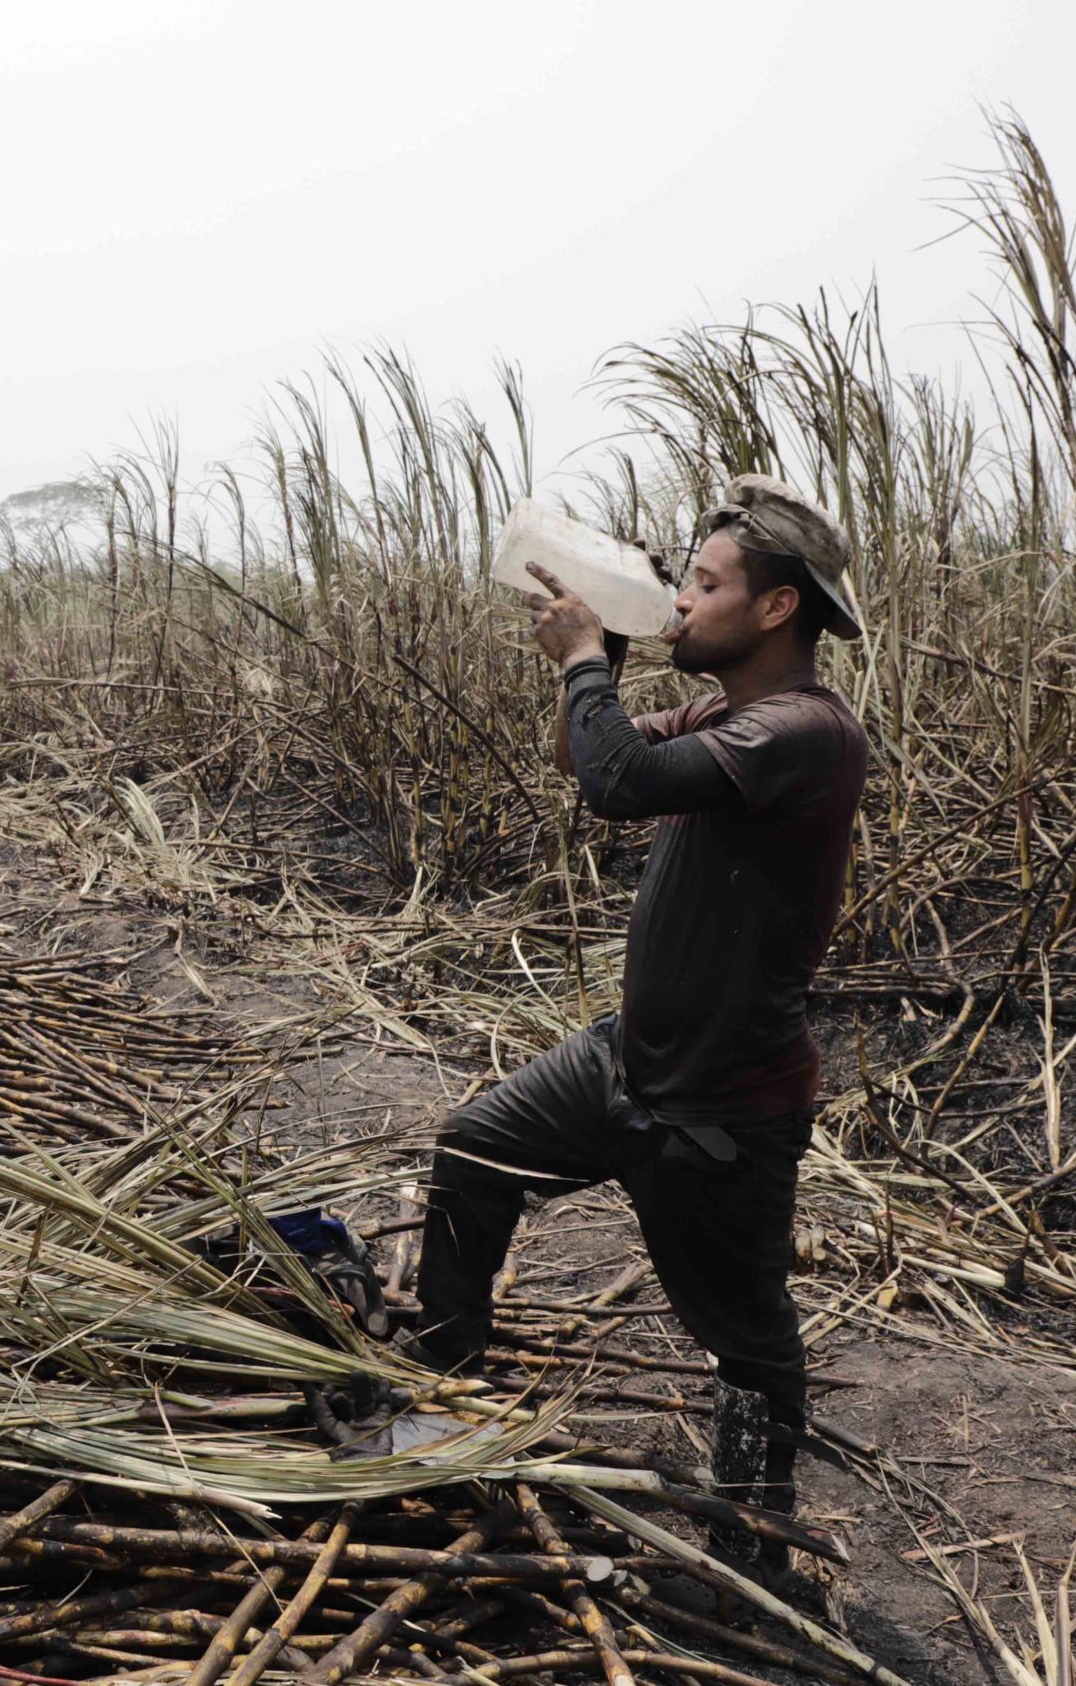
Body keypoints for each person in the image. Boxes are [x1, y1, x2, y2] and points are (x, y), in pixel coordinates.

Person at [409, 473, 868, 1579]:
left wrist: (577, 661)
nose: (682, 603)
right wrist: (601, 650)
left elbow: (617, 783)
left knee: (746, 1339)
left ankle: (753, 1549)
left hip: (721, 1104)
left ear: (774, 609)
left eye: (704, 585)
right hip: (623, 1061)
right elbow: (590, 759)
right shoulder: (725, 711)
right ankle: (442, 1399)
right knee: (470, 1154)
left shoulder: (805, 732)